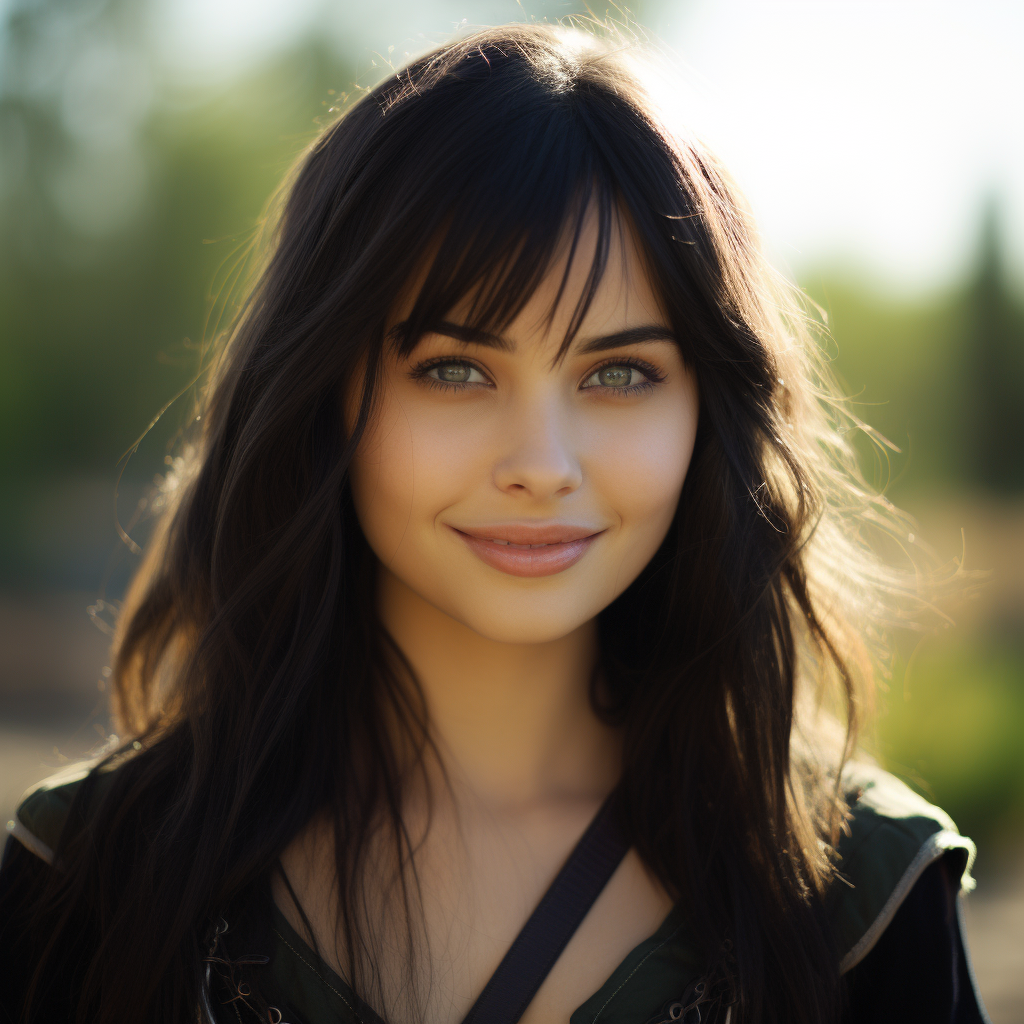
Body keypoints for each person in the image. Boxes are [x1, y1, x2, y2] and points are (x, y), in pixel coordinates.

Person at [0, 22, 989, 1024]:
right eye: (456, 370)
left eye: (617, 374)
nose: (540, 467)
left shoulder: (857, 897)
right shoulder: (92, 878)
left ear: (707, 414)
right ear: (324, 390)